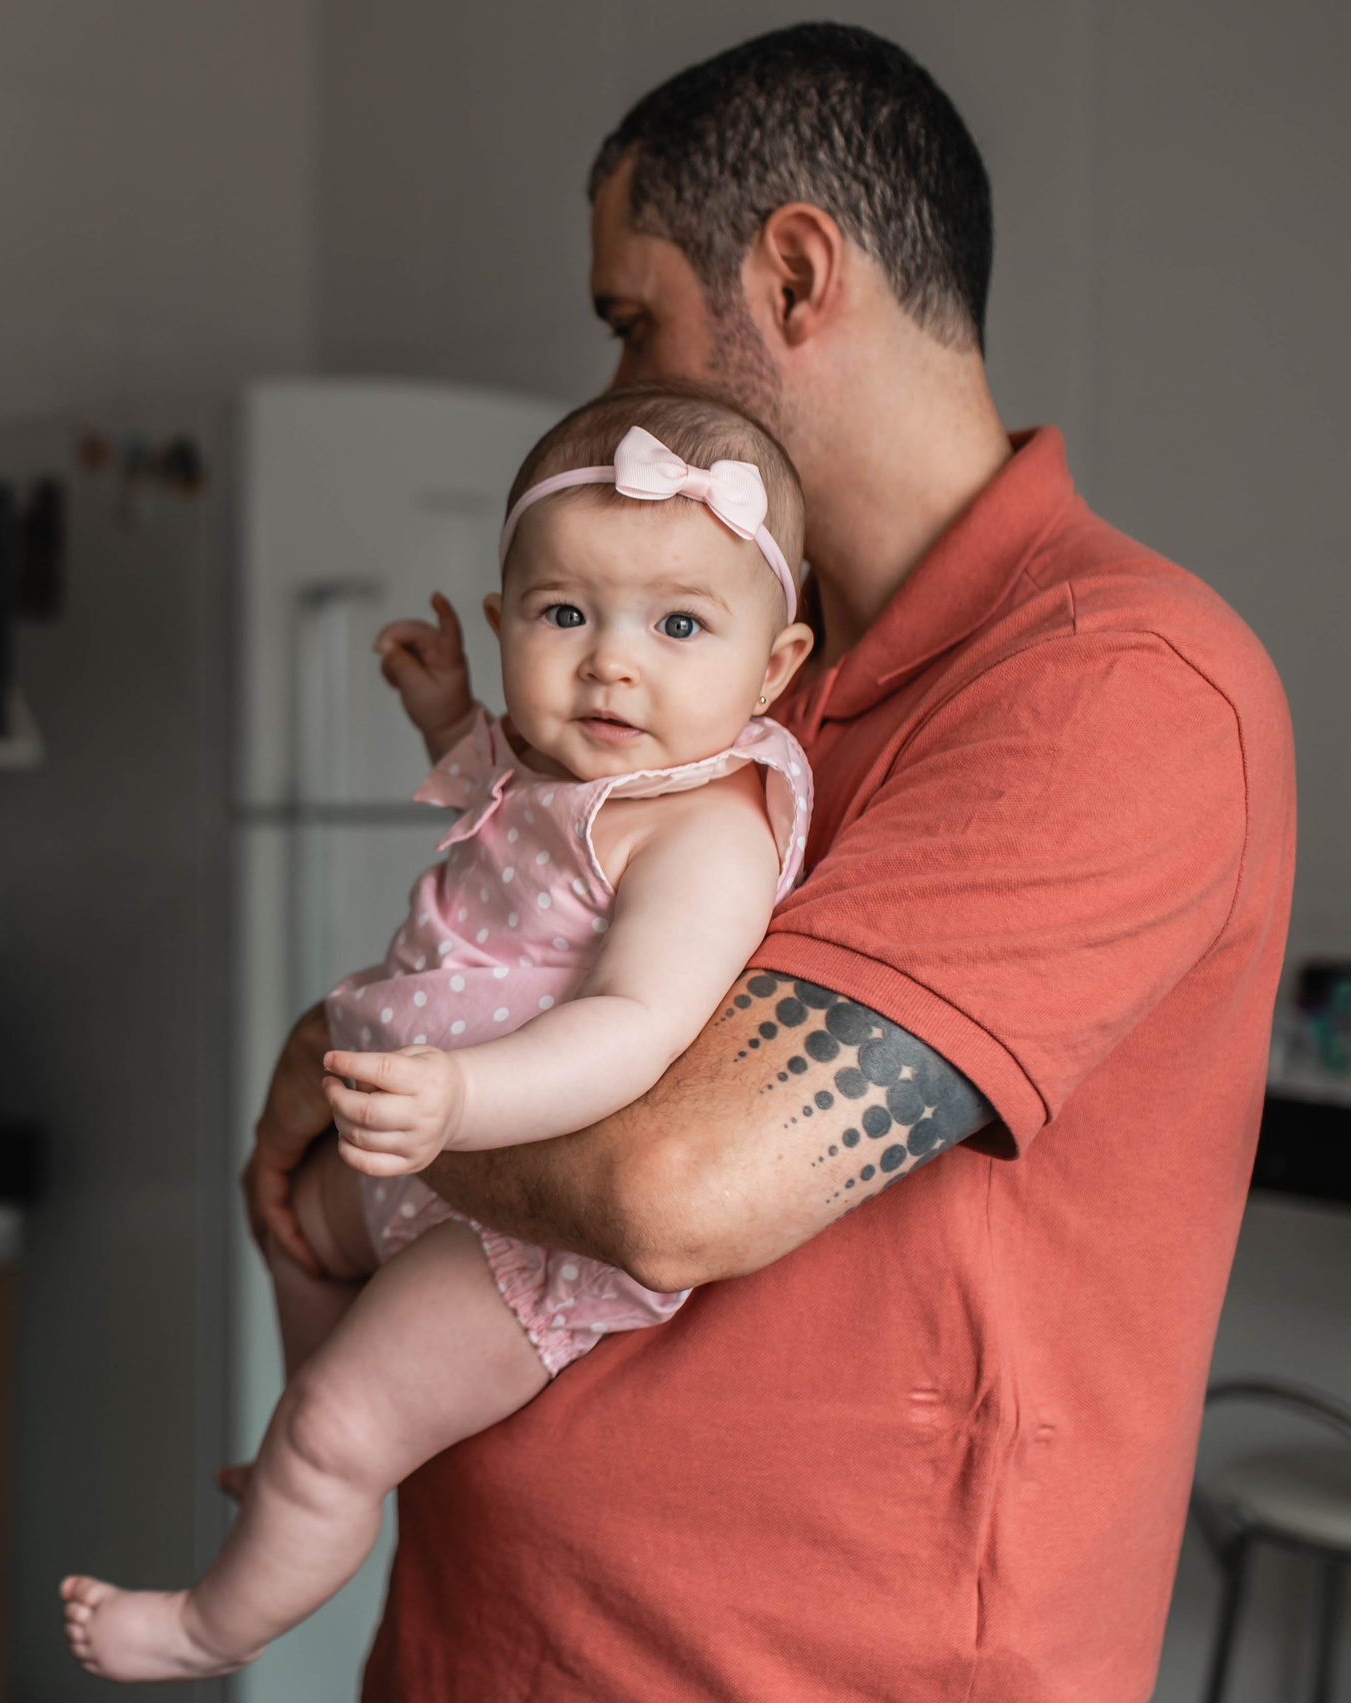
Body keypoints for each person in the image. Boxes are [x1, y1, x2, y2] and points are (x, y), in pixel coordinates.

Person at [243, 24, 1294, 1700]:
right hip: (476, 1647)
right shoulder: (720, 682)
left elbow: (677, 1188)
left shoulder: (1121, 680)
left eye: (631, 319)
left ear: (796, 271)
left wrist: (360, 1061)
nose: (608, 398)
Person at [65, 388, 818, 1680]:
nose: (610, 662)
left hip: (523, 1218)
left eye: (679, 622)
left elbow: (633, 1024)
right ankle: (298, 1464)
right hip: (426, 1146)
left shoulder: (704, 831)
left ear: (774, 668)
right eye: (564, 614)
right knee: (295, 1227)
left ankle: (208, 1615)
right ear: (502, 618)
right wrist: (442, 715)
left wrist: (459, 1099)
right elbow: (504, 789)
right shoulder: (576, 764)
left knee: (343, 1420)